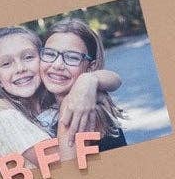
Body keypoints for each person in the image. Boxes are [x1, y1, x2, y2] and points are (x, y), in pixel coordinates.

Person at [0, 22, 120, 174]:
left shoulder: (83, 103)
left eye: (28, 57)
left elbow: (68, 173)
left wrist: (88, 81)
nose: (20, 68)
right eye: (6, 63)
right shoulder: (1, 110)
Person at [35, 16, 127, 159]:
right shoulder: (48, 105)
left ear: (90, 67)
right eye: (49, 54)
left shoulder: (75, 106)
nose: (57, 65)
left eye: (72, 57)